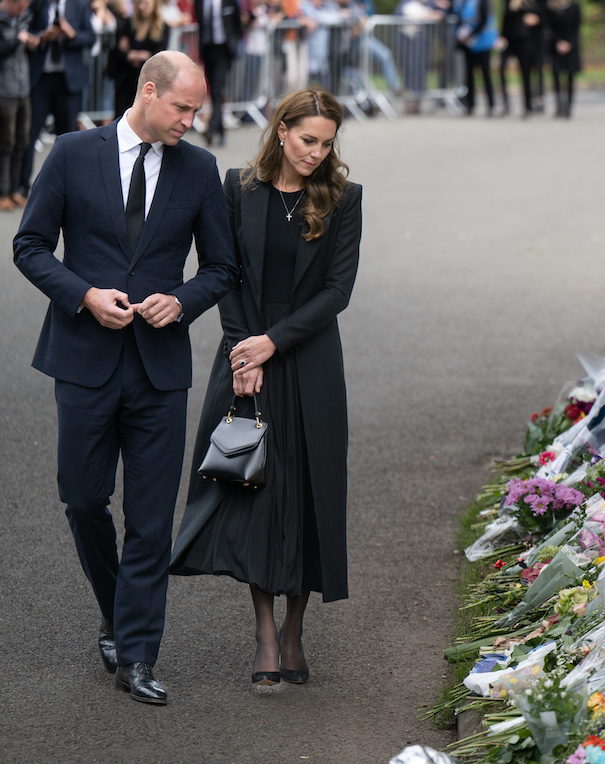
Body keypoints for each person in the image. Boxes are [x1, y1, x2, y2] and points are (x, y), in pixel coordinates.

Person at [12, 50, 238, 705]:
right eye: (182, 108)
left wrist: (184, 301)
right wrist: (83, 295)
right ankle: (117, 610)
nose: (191, 122)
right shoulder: (73, 153)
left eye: (197, 110)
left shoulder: (199, 170)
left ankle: (136, 655)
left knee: (149, 522)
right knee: (83, 500)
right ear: (147, 91)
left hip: (159, 371)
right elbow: (29, 246)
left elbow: (222, 269)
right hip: (82, 362)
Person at [170, 87, 362, 688]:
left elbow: (337, 291)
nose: (316, 152)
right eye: (308, 139)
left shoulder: (344, 198)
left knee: (307, 491)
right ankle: (262, 632)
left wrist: (272, 343)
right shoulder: (237, 187)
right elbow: (224, 273)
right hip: (245, 353)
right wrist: (242, 350)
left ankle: (295, 630)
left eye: (327, 143)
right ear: (281, 131)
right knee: (253, 489)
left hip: (308, 359)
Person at [19, 0, 95, 199]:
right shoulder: (37, 5)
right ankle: (22, 187)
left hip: (68, 82)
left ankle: (68, 189)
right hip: (41, 80)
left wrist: (71, 34)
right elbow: (25, 31)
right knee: (29, 134)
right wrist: (43, 37)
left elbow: (91, 37)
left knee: (68, 139)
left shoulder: (80, 5)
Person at [0, 0, 33, 211]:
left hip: (23, 89)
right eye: (21, 6)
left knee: (21, 142)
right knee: (5, 144)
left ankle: (14, 190)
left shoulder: (21, 19)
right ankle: (2, 192)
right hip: (5, 91)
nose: (24, 10)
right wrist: (16, 41)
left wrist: (31, 41)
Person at [109, 0, 166, 118]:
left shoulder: (163, 28)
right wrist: (139, 55)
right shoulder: (128, 24)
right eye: (139, 3)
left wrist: (130, 53)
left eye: (146, 3)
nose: (142, 7)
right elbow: (117, 52)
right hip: (125, 81)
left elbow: (157, 56)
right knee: (121, 118)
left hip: (147, 83)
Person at [196, 0, 242, 147]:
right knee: (215, 92)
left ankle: (211, 129)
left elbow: (237, 24)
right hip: (207, 49)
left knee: (217, 89)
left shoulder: (229, 2)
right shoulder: (200, 2)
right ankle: (220, 131)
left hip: (223, 50)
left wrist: (233, 45)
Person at [452, 0, 495, 116]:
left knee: (485, 74)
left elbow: (484, 20)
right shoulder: (463, 2)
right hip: (468, 44)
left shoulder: (482, 2)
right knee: (469, 75)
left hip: (483, 42)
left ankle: (491, 105)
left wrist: (470, 34)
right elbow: (459, 17)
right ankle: (470, 105)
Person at [497, 0, 535, 118]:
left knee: (525, 72)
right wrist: (501, 36)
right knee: (502, 67)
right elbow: (505, 19)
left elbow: (537, 16)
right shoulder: (507, 2)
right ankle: (506, 103)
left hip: (522, 40)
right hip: (509, 40)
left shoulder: (527, 3)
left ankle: (528, 105)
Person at [545, 0, 577, 118]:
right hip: (555, 47)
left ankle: (568, 106)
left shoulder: (574, 6)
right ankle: (559, 105)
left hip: (571, 47)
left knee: (570, 77)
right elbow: (550, 28)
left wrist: (569, 43)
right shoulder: (552, 7)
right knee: (556, 74)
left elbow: (575, 27)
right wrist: (558, 43)